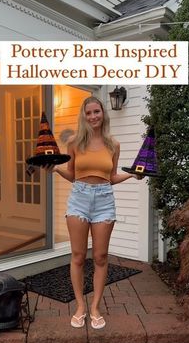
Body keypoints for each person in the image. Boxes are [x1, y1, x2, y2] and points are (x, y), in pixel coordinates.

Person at [49, 96, 142, 329]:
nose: (93, 117)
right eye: (88, 113)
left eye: (96, 112)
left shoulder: (113, 145)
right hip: (79, 199)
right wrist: (56, 169)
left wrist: (131, 174)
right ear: (84, 115)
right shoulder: (74, 143)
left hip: (104, 200)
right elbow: (72, 174)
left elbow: (110, 178)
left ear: (103, 113)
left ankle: (95, 307)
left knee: (100, 257)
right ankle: (80, 305)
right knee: (78, 256)